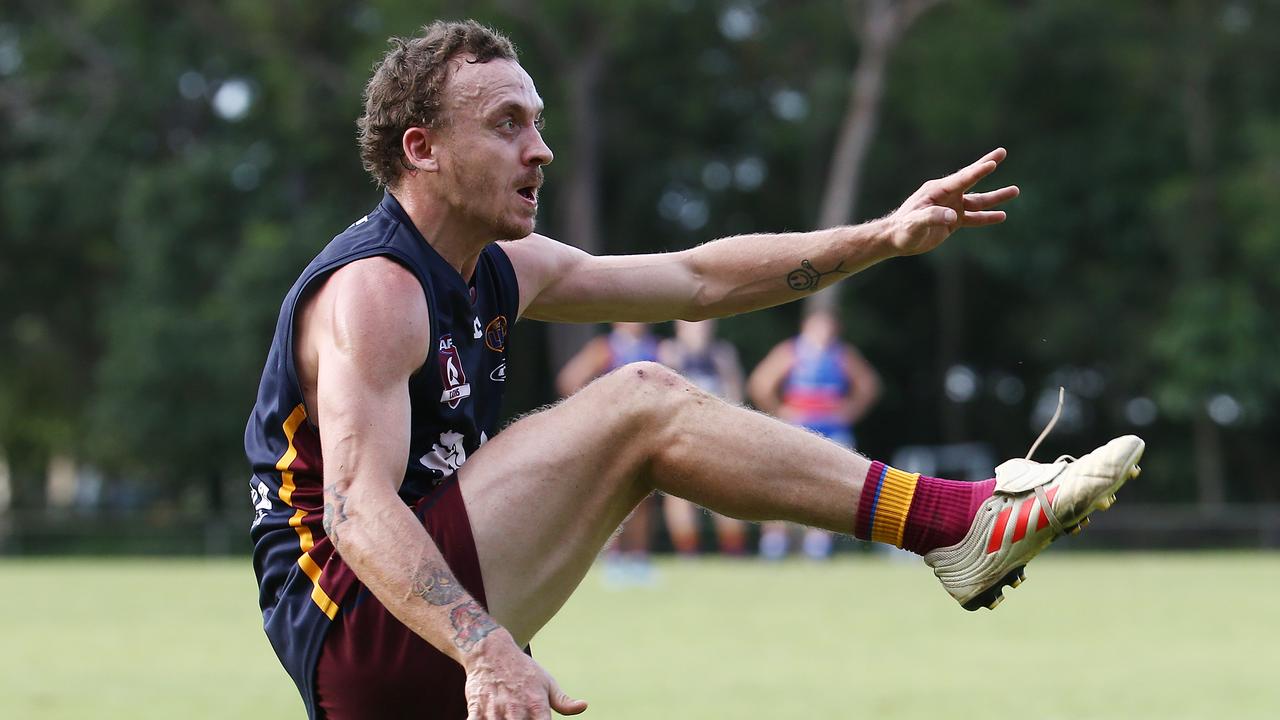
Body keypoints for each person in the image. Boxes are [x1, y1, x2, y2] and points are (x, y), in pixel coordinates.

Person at [244, 20, 1143, 720]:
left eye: (541, 123)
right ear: (421, 149)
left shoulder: (499, 268)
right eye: (508, 124)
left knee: (642, 417)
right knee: (639, 403)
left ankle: (957, 526)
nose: (541, 150)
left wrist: (882, 236)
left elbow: (698, 278)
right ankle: (956, 523)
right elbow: (357, 509)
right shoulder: (376, 288)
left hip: (424, 622)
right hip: (359, 630)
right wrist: (484, 647)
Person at [747, 307, 880, 560]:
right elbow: (760, 382)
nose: (823, 333)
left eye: (828, 328)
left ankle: (818, 543)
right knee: (780, 478)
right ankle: (774, 540)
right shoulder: (791, 352)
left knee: (832, 482)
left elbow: (868, 386)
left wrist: (849, 411)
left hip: (833, 428)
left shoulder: (841, 355)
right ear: (806, 328)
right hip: (799, 426)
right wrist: (780, 411)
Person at [556, 323, 661, 583]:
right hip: (615, 433)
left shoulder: (656, 347)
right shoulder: (605, 348)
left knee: (643, 496)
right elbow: (569, 379)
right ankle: (613, 557)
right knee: (612, 495)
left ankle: (638, 558)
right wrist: (594, 411)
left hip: (645, 430)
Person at [657, 319, 749, 556]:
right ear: (680, 326)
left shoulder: (721, 354)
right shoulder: (670, 352)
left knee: (725, 490)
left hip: (717, 432)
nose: (701, 328)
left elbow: (735, 394)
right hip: (681, 431)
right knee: (678, 493)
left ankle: (733, 552)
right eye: (694, 324)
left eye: (705, 325)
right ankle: (688, 552)